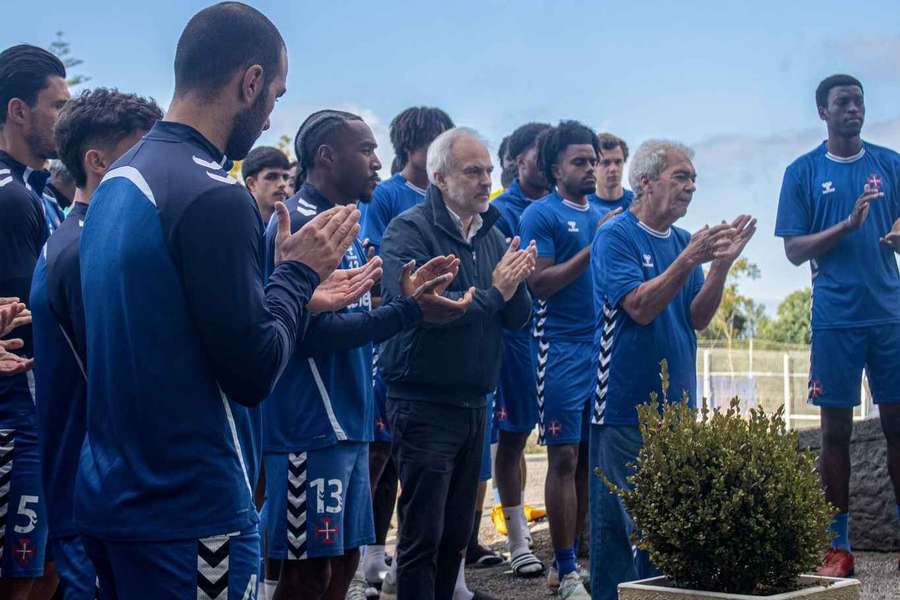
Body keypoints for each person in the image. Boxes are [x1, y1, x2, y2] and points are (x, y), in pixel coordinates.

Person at [75, 4, 362, 597]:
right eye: (277, 94)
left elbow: (171, 321)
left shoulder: (123, 179)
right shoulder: (214, 193)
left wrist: (288, 296)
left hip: (113, 496)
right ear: (250, 81)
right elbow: (252, 371)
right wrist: (296, 277)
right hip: (193, 510)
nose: (270, 114)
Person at [261, 109, 467, 600]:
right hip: (307, 429)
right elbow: (311, 330)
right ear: (327, 157)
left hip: (348, 422)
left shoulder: (345, 225)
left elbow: (350, 311)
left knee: (343, 564)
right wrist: (406, 312)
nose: (378, 162)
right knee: (307, 573)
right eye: (366, 150)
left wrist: (404, 298)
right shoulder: (298, 224)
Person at [590, 139, 754, 600]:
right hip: (623, 404)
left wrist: (719, 266)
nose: (691, 187)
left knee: (670, 524)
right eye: (681, 177)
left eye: (694, 179)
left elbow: (697, 318)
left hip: (677, 404)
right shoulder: (615, 235)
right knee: (625, 526)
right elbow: (639, 307)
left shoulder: (685, 243)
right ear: (645, 182)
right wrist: (688, 261)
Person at [379, 127, 535, 600]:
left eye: (488, 170)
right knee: (422, 536)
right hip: (423, 401)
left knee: (455, 537)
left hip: (474, 402)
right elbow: (427, 312)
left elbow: (518, 316)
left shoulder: (493, 230)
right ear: (440, 177)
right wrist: (495, 292)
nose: (486, 180)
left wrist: (514, 284)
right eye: (473, 171)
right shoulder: (409, 230)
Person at [30, 87, 162, 599]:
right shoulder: (85, 246)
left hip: (104, 490)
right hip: (96, 494)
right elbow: (125, 373)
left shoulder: (94, 233)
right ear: (97, 160)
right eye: (141, 154)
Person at [775, 74, 900, 577]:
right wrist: (846, 227)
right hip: (835, 318)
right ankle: (838, 547)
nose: (853, 108)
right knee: (835, 432)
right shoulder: (802, 172)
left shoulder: (890, 164)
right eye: (842, 102)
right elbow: (792, 250)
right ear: (822, 112)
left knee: (898, 429)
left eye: (859, 101)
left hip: (890, 313)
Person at [517, 120, 620, 598]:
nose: (590, 169)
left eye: (593, 161)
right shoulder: (541, 215)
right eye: (580, 162)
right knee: (562, 457)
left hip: (603, 347)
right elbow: (539, 283)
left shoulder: (605, 214)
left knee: (593, 461)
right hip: (557, 346)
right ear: (554, 167)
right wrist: (590, 247)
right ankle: (563, 571)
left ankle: (584, 559)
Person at [359, 105, 454, 593]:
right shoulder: (388, 196)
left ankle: (407, 561)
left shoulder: (450, 197)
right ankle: (369, 556)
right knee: (381, 454)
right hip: (394, 340)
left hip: (441, 346)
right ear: (413, 146)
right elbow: (380, 274)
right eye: (433, 140)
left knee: (420, 461)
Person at [0, 42, 70, 599]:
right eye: (58, 106)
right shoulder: (11, 199)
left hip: (45, 414)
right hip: (17, 418)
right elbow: (31, 315)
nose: (67, 120)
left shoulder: (41, 197)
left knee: (50, 574)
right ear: (19, 111)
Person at [489, 121, 552, 578]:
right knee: (510, 438)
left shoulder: (571, 206)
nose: (547, 164)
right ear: (516, 160)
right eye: (539, 154)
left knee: (567, 445)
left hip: (567, 338)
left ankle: (578, 535)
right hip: (516, 338)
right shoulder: (501, 210)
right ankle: (517, 540)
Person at [243, 145, 291, 223]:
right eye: (272, 177)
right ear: (251, 184)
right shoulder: (237, 224)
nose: (282, 184)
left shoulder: (298, 223)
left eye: (285, 177)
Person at [588, 133, 633, 215]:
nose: (613, 169)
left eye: (618, 162)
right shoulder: (584, 206)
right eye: (605, 163)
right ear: (593, 166)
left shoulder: (639, 204)